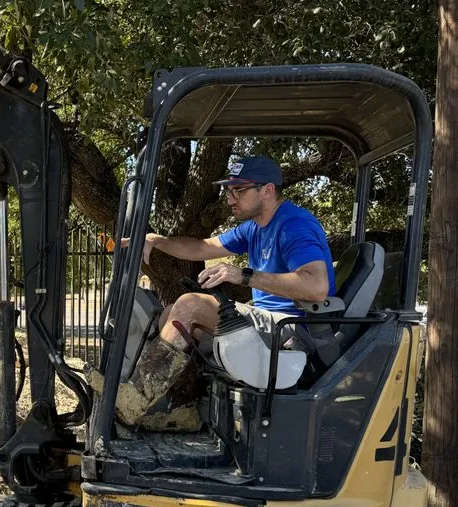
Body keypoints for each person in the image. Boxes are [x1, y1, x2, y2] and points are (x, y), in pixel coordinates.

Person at [117, 155, 335, 424]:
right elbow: (200, 248)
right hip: (272, 323)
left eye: (238, 191)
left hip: (295, 329)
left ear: (266, 190)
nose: (230, 199)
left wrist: (242, 275)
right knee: (173, 314)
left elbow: (316, 287)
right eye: (229, 191)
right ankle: (175, 403)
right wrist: (157, 240)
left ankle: (134, 400)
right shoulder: (254, 228)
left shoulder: (293, 225)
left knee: (191, 305)